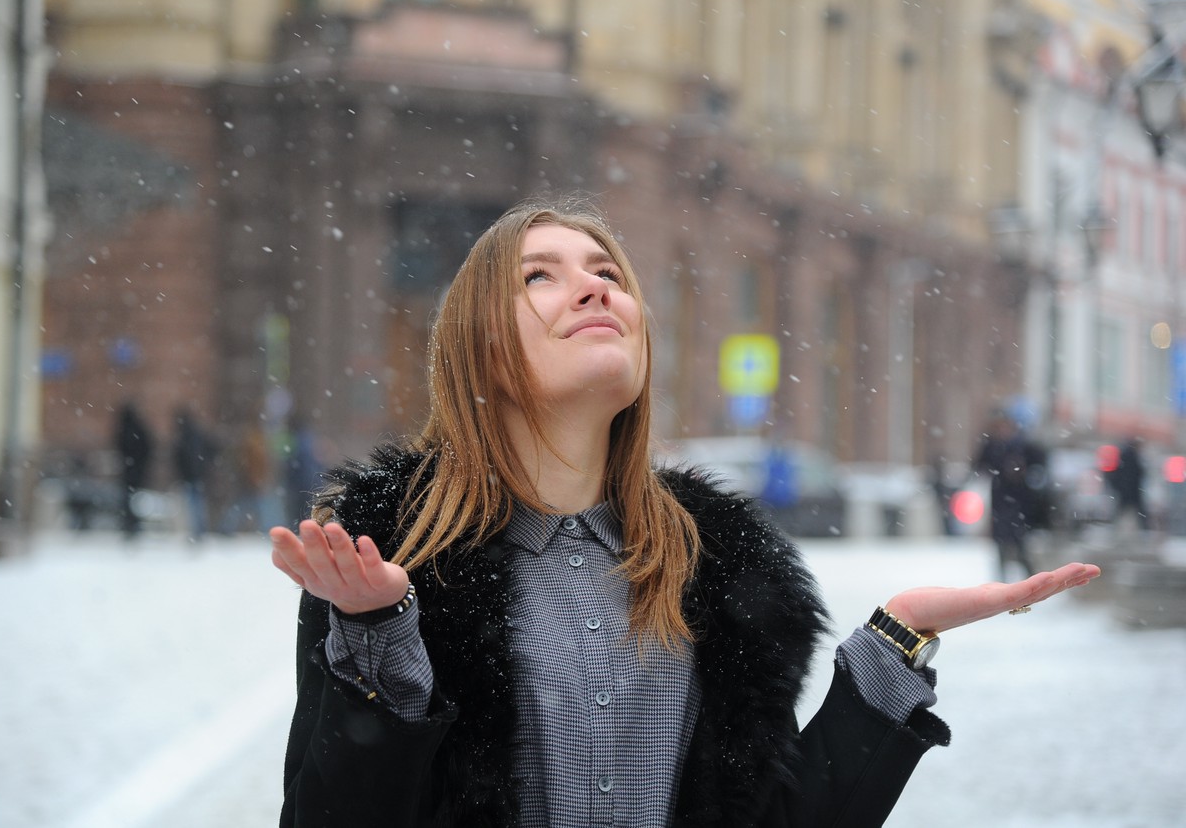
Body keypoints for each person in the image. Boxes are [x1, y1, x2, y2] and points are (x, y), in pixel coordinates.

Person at [270, 198, 1099, 827]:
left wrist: (895, 643)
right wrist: (379, 632)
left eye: (608, 273)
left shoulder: (722, 570)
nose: (594, 287)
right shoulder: (388, 559)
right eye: (540, 275)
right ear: (479, 345)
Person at [974, 411, 1049, 581]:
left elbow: (1039, 465)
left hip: (1020, 501)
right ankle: (1002, 581)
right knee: (1001, 546)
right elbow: (980, 467)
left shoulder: (1024, 445)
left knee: (1020, 545)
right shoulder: (992, 445)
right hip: (1000, 500)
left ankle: (1033, 581)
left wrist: (1024, 473)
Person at [172, 407, 214, 543]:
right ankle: (199, 530)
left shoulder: (185, 436)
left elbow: (184, 456)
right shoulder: (196, 434)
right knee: (197, 505)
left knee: (194, 506)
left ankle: (198, 531)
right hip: (197, 475)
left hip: (191, 475)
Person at [114, 400, 153, 539]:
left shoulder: (126, 429)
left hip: (129, 471)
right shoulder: (138, 428)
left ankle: (130, 525)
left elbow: (122, 448)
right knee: (134, 500)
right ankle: (133, 525)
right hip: (136, 471)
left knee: (129, 500)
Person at [1107, 435, 1150, 532]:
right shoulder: (1133, 457)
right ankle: (1144, 530)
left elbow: (1114, 473)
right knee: (1138, 512)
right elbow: (1139, 473)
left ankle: (1113, 528)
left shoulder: (1123, 455)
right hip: (1132, 490)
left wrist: (1117, 486)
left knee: (1121, 510)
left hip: (1125, 490)